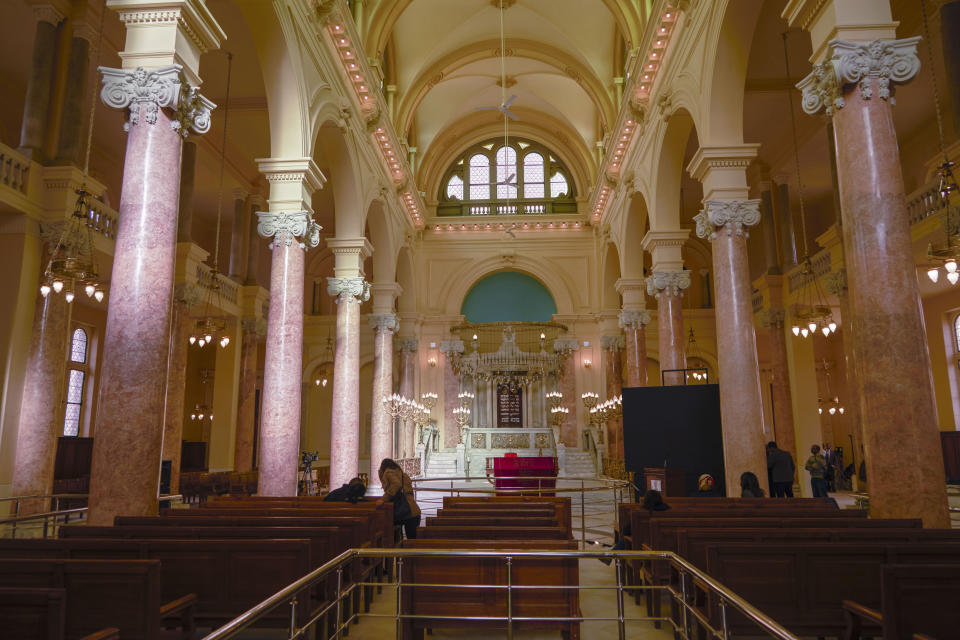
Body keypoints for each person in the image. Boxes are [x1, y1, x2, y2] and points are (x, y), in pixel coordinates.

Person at [376, 458, 421, 540]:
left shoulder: (388, 473)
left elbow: (396, 484)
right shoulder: (402, 474)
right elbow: (409, 492)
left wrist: (383, 499)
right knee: (412, 541)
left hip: (403, 512)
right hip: (413, 511)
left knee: (386, 528)